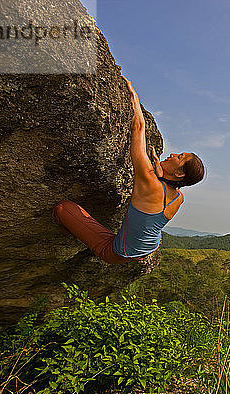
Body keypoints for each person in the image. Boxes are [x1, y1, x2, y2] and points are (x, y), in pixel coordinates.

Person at [52, 75, 205, 264]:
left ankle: (71, 231)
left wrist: (133, 97)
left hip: (116, 252)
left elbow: (138, 128)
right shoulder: (179, 198)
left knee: (62, 208)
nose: (173, 154)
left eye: (179, 157)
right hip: (147, 249)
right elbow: (161, 186)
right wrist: (159, 168)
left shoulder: (148, 180)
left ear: (180, 173)